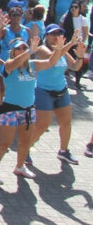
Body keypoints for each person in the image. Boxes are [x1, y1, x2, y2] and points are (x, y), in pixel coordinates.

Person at [0, 34, 75, 185]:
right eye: (18, 48)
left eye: (23, 47)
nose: (21, 50)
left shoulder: (33, 64)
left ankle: (20, 167)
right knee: (4, 143)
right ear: (12, 52)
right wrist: (29, 51)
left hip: (28, 110)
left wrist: (61, 49)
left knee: (25, 142)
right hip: (10, 110)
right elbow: (13, 64)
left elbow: (51, 61)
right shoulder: (8, 65)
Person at [29, 24, 85, 165]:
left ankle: (64, 151)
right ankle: (25, 149)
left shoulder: (63, 52)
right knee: (42, 125)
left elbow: (74, 67)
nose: (56, 36)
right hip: (43, 91)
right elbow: (52, 60)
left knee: (66, 123)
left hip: (61, 90)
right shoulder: (42, 49)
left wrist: (79, 57)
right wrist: (69, 44)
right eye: (53, 33)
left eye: (59, 34)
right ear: (46, 36)